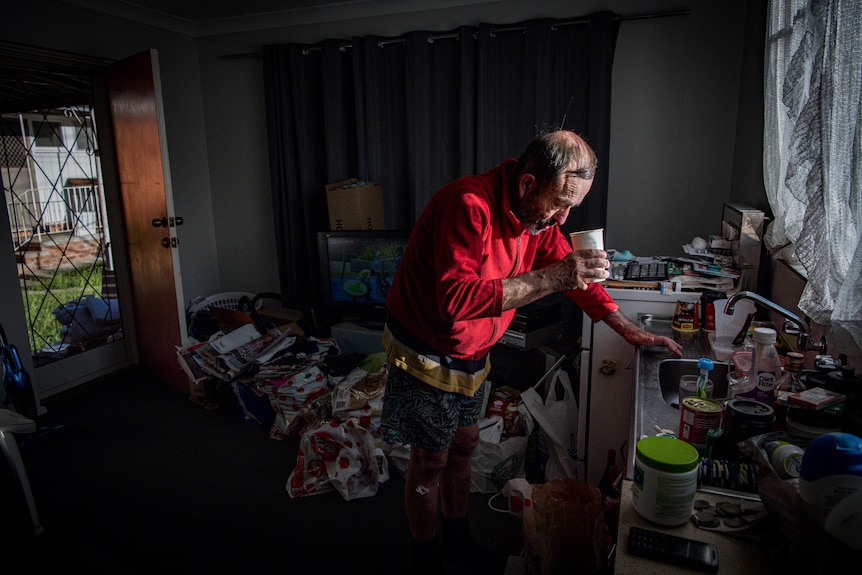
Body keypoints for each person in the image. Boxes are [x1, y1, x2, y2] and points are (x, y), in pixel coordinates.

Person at [380, 130, 682, 574]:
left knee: (463, 445)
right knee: (431, 458)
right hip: (427, 345)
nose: (561, 219)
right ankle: (425, 559)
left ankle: (458, 542)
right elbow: (456, 301)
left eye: (570, 209)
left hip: (473, 349)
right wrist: (557, 278)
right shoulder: (467, 205)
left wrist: (625, 327)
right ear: (526, 184)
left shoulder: (535, 219)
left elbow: (573, 275)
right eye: (560, 203)